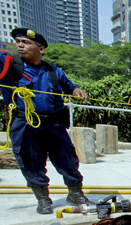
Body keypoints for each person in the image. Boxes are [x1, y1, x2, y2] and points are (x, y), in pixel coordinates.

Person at [0, 28, 90, 214]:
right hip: (25, 124)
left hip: (54, 124)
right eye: (18, 42)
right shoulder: (9, 65)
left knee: (67, 159)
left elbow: (68, 86)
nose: (20, 46)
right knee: (31, 162)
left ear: (40, 49)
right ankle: (43, 198)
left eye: (26, 42)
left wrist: (76, 91)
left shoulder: (53, 71)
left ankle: (75, 193)